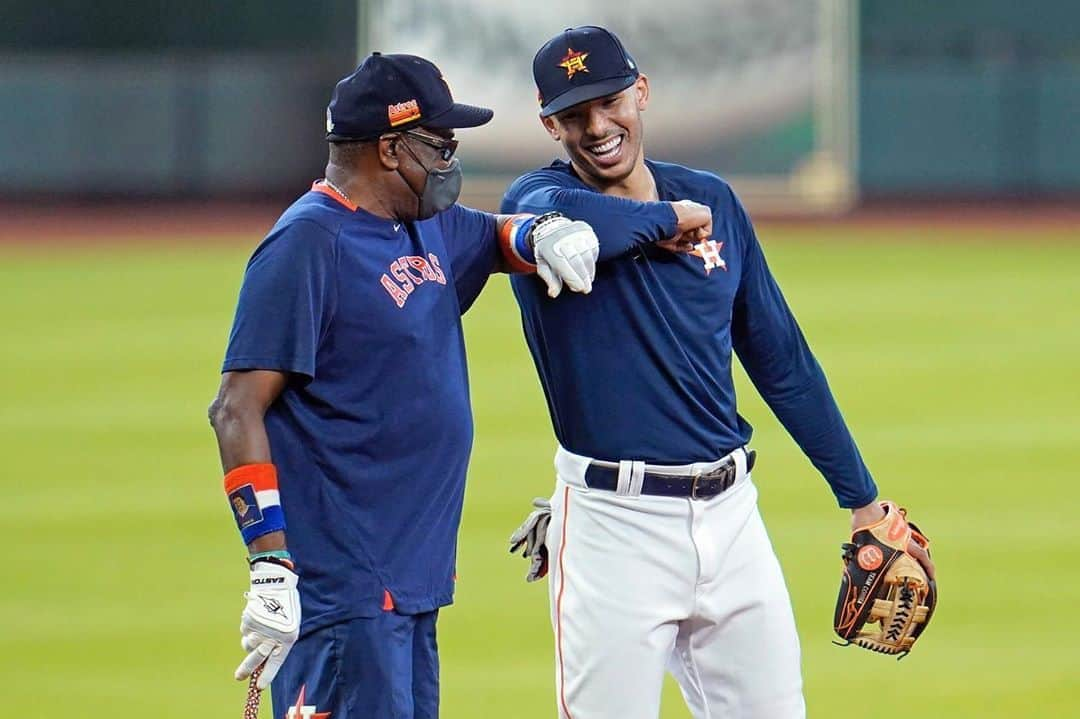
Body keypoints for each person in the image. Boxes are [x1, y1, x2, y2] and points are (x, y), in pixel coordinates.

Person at [502, 26, 936, 719]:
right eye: (575, 114)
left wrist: (863, 498)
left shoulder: (715, 199)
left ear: (640, 93)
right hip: (615, 524)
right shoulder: (539, 204)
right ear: (549, 122)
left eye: (610, 101)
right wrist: (665, 220)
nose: (597, 126)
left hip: (732, 519)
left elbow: (781, 359)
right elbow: (555, 218)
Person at [206, 51, 620, 719]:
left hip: (411, 586)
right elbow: (235, 408)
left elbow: (489, 238)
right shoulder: (307, 245)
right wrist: (270, 563)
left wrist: (538, 231)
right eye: (442, 144)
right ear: (392, 148)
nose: (452, 159)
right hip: (346, 595)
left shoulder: (420, 223)